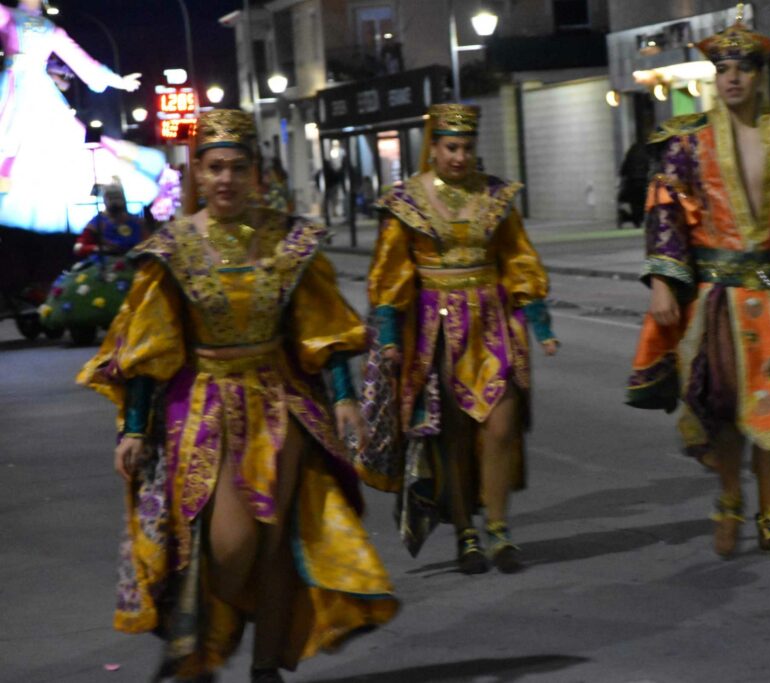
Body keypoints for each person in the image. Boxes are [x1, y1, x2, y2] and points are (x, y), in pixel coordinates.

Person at [77, 110, 398, 683]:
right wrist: (132, 428)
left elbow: (318, 325)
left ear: (257, 174)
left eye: (238, 167)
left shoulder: (290, 242)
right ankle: (214, 623)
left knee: (276, 542)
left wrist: (345, 396)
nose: (226, 179)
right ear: (197, 171)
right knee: (230, 548)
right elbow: (150, 348)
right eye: (215, 166)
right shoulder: (172, 249)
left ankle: (267, 664)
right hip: (205, 406)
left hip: (282, 402)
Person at [625, 20, 770, 559]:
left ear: (760, 76)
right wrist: (663, 283)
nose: (732, 78)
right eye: (723, 69)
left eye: (743, 68)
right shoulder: (686, 141)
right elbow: (666, 215)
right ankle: (731, 499)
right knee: (728, 405)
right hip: (718, 292)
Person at [363, 103, 558, 574]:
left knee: (501, 424)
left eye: (467, 148)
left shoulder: (495, 197)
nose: (459, 157)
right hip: (436, 325)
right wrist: (388, 332)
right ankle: (465, 531)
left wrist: (538, 317)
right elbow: (390, 273)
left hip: (491, 321)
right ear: (434, 146)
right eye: (451, 147)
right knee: (451, 430)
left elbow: (518, 257)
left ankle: (499, 527)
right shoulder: (405, 201)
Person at [0, 0, 165, 233]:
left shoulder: (50, 28)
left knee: (54, 147)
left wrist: (117, 81)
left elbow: (81, 62)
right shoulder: (9, 16)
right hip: (12, 90)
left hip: (36, 91)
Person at [39, 183, 147, 344]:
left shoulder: (137, 222)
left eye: (118, 197)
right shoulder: (98, 222)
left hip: (135, 261)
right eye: (111, 197)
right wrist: (96, 247)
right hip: (104, 262)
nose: (115, 201)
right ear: (105, 200)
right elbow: (80, 247)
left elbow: (148, 242)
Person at [618, 139, 652, 228]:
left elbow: (623, 170)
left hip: (632, 182)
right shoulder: (646, 153)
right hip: (643, 181)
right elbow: (649, 167)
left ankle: (636, 220)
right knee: (643, 201)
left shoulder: (631, 155)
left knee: (634, 202)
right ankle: (641, 219)